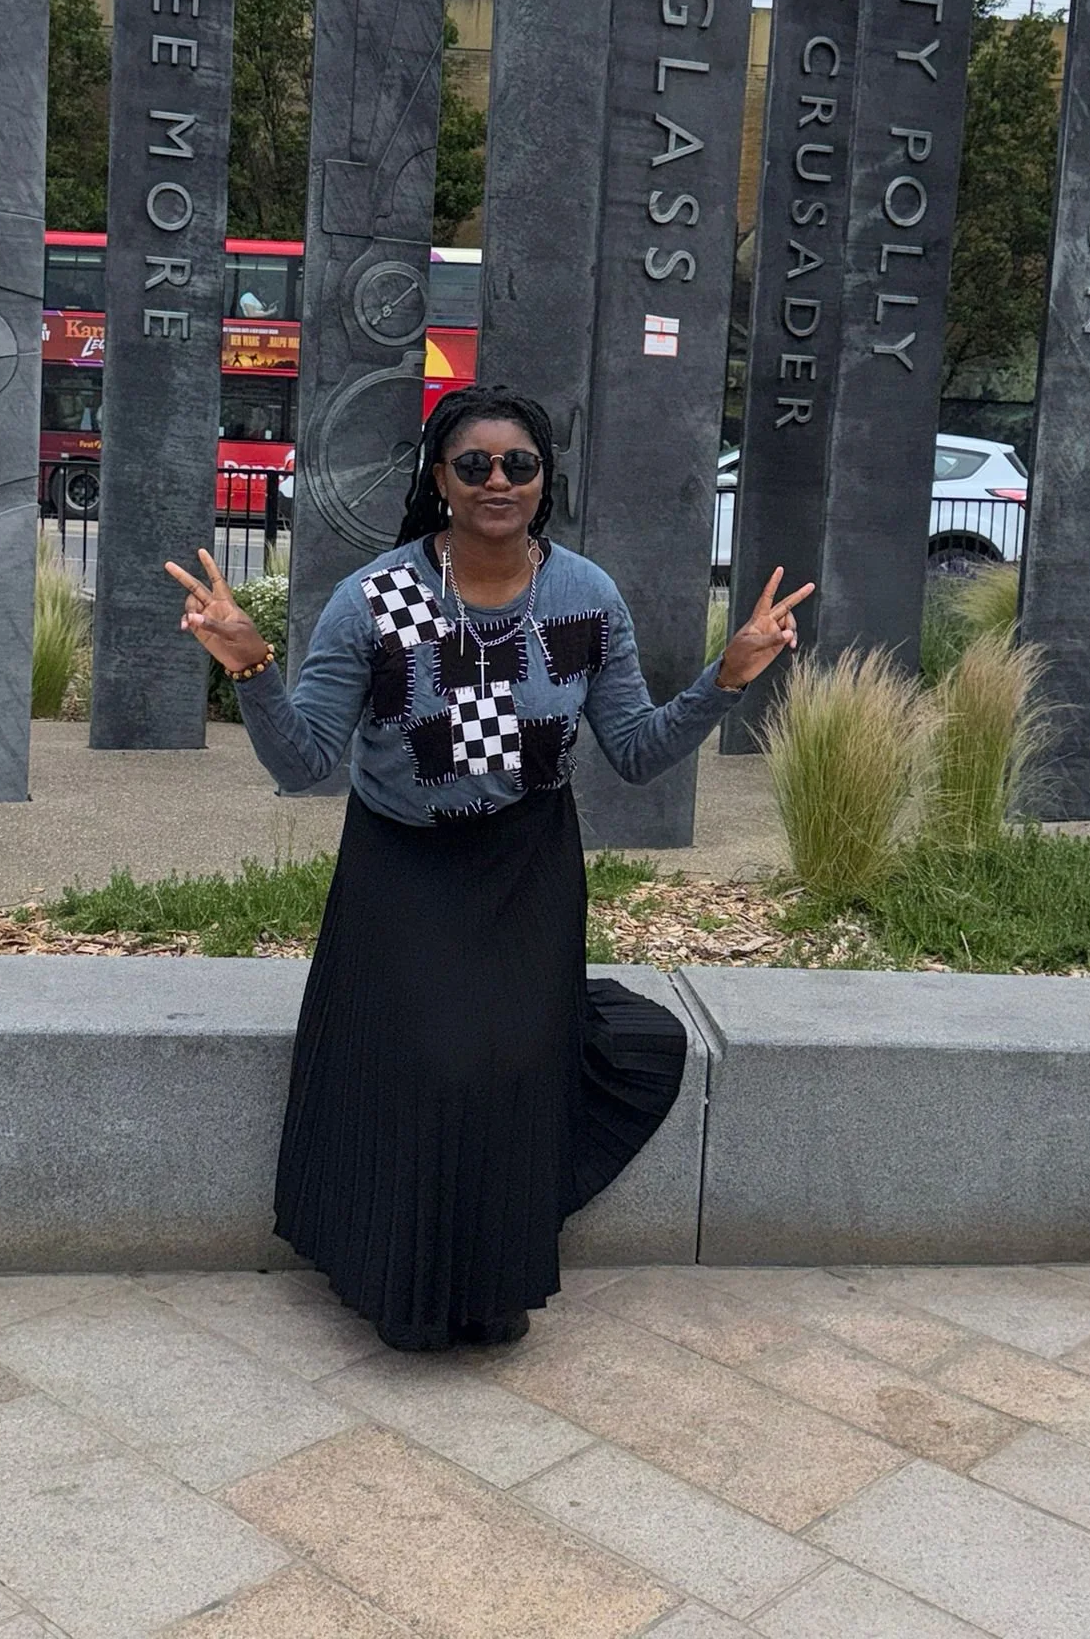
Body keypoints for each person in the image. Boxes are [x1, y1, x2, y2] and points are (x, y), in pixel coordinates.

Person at [166, 385, 811, 1352]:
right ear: (440, 478)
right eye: (474, 465)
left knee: (510, 1072)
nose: (497, 481)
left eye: (519, 465)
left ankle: (490, 1283)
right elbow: (304, 764)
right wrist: (253, 668)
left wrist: (727, 678)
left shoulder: (586, 597)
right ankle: (405, 1287)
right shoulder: (375, 600)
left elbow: (633, 749)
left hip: (526, 869)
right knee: (423, 1069)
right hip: (402, 867)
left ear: (544, 483)